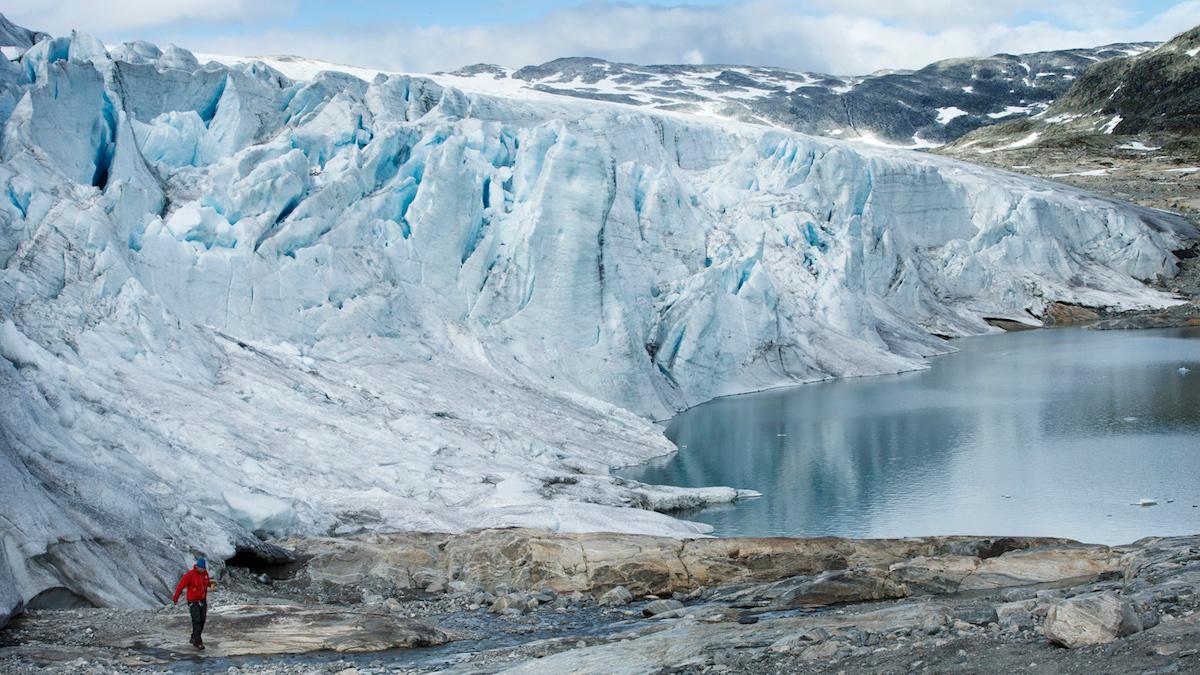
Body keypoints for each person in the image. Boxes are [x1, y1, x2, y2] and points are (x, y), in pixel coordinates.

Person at [172, 557, 215, 649]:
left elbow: (207, 583)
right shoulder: (190, 574)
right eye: (201, 568)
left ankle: (193, 637)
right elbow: (181, 586)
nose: (203, 570)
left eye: (204, 568)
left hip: (202, 600)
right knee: (197, 621)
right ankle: (198, 642)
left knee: (202, 621)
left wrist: (213, 585)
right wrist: (176, 598)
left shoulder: (205, 574)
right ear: (197, 567)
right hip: (193, 601)